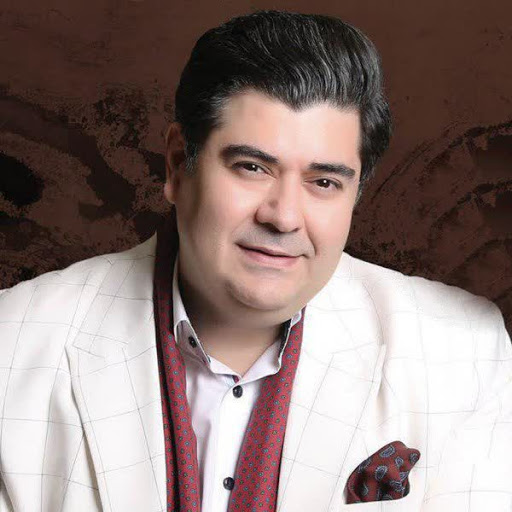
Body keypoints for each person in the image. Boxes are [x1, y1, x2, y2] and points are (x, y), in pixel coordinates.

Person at [0, 9, 510, 512]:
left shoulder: (463, 355)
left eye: (324, 182)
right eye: (251, 167)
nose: (283, 217)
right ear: (177, 165)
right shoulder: (14, 344)